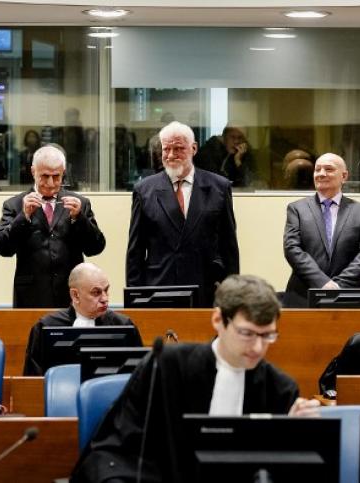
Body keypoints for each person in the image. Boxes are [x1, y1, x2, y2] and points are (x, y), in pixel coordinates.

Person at [70, 275, 320, 483]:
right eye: (247, 333)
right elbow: (114, 451)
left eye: (267, 336)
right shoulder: (166, 366)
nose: (257, 347)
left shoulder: (280, 389)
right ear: (218, 320)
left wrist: (295, 436)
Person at [126, 121, 240, 307]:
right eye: (166, 149)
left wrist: (232, 294)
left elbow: (229, 247)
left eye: (178, 148)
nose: (171, 155)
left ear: (193, 149)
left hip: (206, 288)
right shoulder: (144, 190)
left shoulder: (219, 187)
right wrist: (135, 296)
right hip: (158, 287)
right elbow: (135, 251)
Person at [0, 146, 106, 308]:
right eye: (44, 176)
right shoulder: (14, 204)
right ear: (33, 172)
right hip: (30, 295)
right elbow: (2, 248)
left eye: (56, 176)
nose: (51, 183)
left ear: (63, 172)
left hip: (70, 295)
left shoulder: (80, 203)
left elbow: (95, 248)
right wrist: (23, 217)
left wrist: (79, 218)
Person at [282, 153, 360, 308]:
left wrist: (337, 286)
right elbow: (292, 249)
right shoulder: (297, 209)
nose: (321, 174)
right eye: (317, 169)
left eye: (328, 169)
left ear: (344, 176)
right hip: (303, 296)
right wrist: (323, 282)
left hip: (349, 295)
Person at [23, 263, 139, 376]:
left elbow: (138, 378)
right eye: (96, 292)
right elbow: (32, 382)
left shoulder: (124, 326)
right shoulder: (45, 327)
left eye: (106, 290)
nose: (105, 298)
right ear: (75, 295)